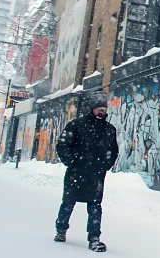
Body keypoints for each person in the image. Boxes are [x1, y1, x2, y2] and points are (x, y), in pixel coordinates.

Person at [55, 91, 118, 252]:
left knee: (95, 206)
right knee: (68, 203)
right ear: (92, 108)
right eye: (99, 108)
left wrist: (105, 165)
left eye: (104, 109)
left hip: (96, 175)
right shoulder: (76, 125)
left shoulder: (109, 129)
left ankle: (94, 238)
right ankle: (61, 230)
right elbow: (62, 145)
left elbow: (113, 150)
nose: (101, 112)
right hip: (76, 173)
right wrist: (72, 162)